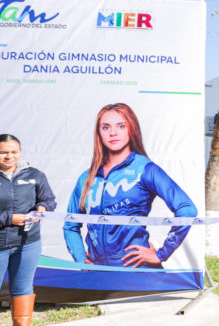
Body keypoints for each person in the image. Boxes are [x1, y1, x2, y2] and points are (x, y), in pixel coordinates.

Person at [62, 103, 197, 268]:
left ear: (131, 129)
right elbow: (70, 225)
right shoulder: (87, 178)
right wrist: (81, 259)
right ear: (99, 133)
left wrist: (161, 253)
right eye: (105, 127)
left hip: (136, 270)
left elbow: (187, 209)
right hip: (98, 272)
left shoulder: (145, 169)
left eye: (121, 126)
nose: (113, 133)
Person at [0, 134, 57, 326]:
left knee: (22, 290)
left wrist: (42, 208)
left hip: (27, 244)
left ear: (20, 152)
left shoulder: (34, 175)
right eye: (4, 152)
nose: (9, 156)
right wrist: (9, 218)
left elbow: (49, 200)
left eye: (14, 152)